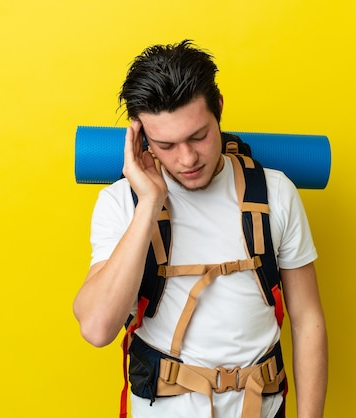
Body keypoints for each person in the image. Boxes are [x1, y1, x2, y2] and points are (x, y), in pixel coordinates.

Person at [73, 40, 327, 418]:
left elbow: (308, 319)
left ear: (219, 109)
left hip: (260, 408)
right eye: (166, 144)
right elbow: (96, 328)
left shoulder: (275, 193)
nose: (187, 158)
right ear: (141, 137)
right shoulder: (122, 203)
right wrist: (149, 205)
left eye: (199, 136)